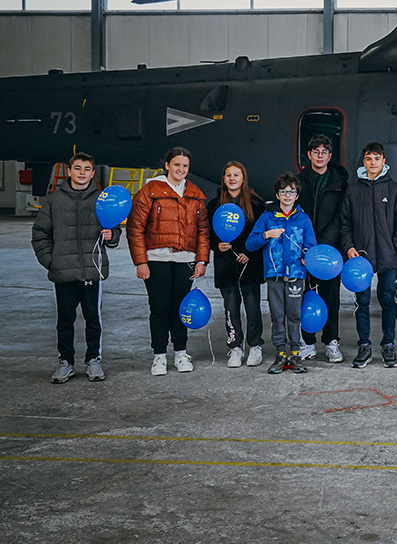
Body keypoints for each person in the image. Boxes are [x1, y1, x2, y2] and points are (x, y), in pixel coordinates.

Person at [31, 153, 121, 384]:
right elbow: (40, 233)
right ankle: (65, 363)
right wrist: (51, 261)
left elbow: (114, 230)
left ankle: (93, 360)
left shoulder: (101, 200)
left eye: (87, 169)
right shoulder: (54, 201)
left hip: (92, 271)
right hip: (64, 272)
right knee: (64, 321)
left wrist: (112, 236)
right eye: (78, 168)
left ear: (93, 173)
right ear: (68, 171)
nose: (82, 173)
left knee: (93, 319)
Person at [127, 147, 209, 376]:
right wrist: (140, 262)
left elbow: (203, 231)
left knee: (181, 309)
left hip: (186, 261)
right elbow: (135, 228)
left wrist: (202, 259)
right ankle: (159, 356)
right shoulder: (150, 190)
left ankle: (181, 353)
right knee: (159, 308)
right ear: (167, 166)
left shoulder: (195, 194)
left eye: (185, 166)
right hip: (156, 260)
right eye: (176, 165)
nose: (181, 169)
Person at [340, 142, 397, 369]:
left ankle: (388, 345)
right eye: (369, 158)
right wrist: (349, 247)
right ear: (364, 161)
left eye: (377, 158)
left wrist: (395, 246)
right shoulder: (353, 190)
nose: (373, 163)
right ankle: (364, 345)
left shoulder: (395, 190)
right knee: (362, 302)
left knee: (388, 301)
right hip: (361, 257)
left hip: (388, 257)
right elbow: (345, 224)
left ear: (384, 161)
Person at [246, 174, 317, 374]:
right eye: (284, 191)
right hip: (274, 276)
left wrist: (306, 256)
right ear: (278, 195)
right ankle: (280, 353)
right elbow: (250, 244)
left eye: (292, 191)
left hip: (296, 275)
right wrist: (266, 235)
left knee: (294, 314)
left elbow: (311, 245)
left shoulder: (303, 219)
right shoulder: (267, 217)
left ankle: (295, 352)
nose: (288, 195)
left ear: (297, 196)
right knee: (277, 315)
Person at [206, 161, 266, 369]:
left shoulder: (256, 204)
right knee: (231, 307)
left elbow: (259, 235)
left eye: (236, 175)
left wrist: (248, 253)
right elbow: (208, 235)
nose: (232, 179)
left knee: (252, 306)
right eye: (228, 175)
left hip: (249, 264)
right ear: (223, 179)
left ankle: (255, 345)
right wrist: (217, 245)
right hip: (226, 266)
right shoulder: (214, 205)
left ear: (243, 178)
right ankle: (235, 346)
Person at [298, 134, 349, 364]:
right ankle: (307, 343)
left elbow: (342, 216)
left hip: (330, 249)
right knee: (305, 296)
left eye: (324, 152)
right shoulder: (299, 182)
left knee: (331, 297)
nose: (320, 155)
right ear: (309, 155)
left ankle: (331, 342)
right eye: (315, 151)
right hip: (305, 250)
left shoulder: (340, 182)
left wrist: (322, 242)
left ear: (330, 156)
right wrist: (308, 244)